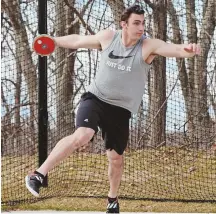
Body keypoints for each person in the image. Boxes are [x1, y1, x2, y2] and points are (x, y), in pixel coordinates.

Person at [25, 4, 201, 213]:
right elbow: (78, 40)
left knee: (116, 158)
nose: (141, 27)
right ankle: (38, 174)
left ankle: (112, 199)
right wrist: (54, 41)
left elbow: (172, 48)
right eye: (136, 23)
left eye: (143, 23)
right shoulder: (109, 37)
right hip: (95, 99)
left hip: (120, 110)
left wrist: (187, 50)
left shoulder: (147, 46)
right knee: (82, 135)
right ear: (124, 24)